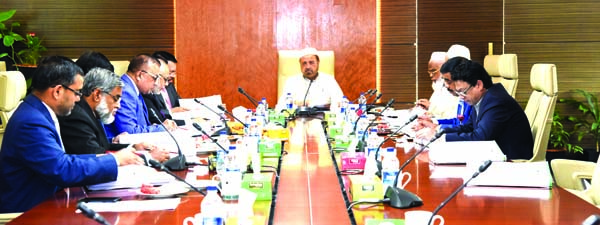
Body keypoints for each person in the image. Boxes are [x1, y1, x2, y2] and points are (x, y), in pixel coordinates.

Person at [0, 56, 144, 213]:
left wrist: (106, 159)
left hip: (50, 202)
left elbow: (64, 161)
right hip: (30, 211)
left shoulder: (39, 112)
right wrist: (114, 160)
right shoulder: (31, 122)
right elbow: (61, 169)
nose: (79, 98)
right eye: (77, 92)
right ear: (58, 91)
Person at [416, 57, 533, 160]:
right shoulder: (483, 98)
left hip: (512, 163)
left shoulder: (496, 102)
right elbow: (469, 127)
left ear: (478, 85)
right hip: (494, 156)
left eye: (463, 92)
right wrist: (437, 132)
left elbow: (480, 137)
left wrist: (439, 138)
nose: (461, 97)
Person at [58, 68, 170, 162]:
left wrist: (134, 147)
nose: (118, 106)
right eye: (115, 99)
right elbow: (96, 159)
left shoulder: (91, 113)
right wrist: (148, 157)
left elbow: (102, 146)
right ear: (97, 94)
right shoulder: (77, 117)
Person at [104, 54, 178, 140]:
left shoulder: (134, 88)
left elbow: (140, 125)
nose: (156, 83)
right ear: (140, 75)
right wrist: (162, 128)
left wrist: (154, 127)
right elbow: (129, 132)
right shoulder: (125, 91)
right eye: (155, 78)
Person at [275, 47, 344, 111]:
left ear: (318, 62)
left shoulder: (329, 80)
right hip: (298, 121)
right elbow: (280, 107)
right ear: (300, 65)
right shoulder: (291, 81)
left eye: (311, 62)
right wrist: (298, 105)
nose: (308, 67)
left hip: (323, 121)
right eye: (304, 63)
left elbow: (341, 103)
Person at [415, 51, 458, 118]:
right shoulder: (438, 87)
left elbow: (452, 116)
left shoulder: (454, 90)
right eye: (429, 72)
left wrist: (430, 107)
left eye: (433, 71)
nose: (430, 75)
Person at [143, 58, 183, 125]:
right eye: (165, 79)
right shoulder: (146, 93)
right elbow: (158, 121)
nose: (167, 84)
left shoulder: (154, 91)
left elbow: (162, 117)